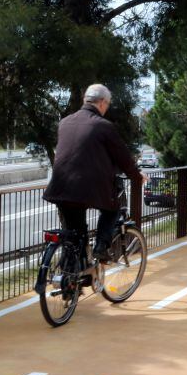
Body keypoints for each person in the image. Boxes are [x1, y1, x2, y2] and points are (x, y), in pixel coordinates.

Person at [43, 84, 142, 260]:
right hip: (88, 188)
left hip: (60, 187)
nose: (106, 108)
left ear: (85, 100)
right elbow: (124, 158)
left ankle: (74, 272)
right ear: (102, 102)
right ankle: (101, 248)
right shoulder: (103, 126)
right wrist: (137, 177)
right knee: (112, 210)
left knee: (76, 234)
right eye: (107, 104)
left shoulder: (65, 122)